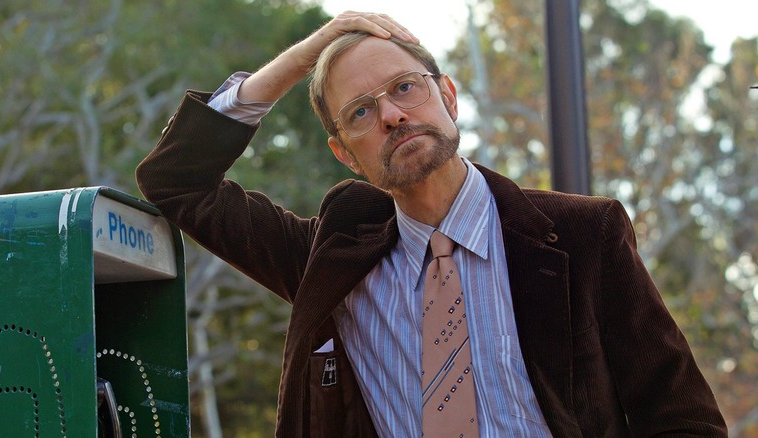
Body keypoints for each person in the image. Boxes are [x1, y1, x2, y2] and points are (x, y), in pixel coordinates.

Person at [136, 11, 727, 437]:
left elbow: (682, 418)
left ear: (448, 96)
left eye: (405, 88)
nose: (392, 115)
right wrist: (307, 52)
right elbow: (176, 182)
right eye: (361, 112)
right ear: (344, 153)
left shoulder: (582, 235)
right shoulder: (331, 261)